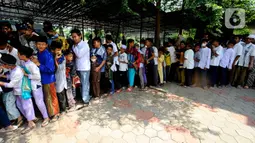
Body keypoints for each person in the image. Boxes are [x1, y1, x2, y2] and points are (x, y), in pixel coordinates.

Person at [0, 53, 36, 134]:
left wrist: (1, 83)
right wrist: (4, 76)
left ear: (8, 65)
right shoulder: (13, 69)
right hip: (18, 92)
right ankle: (30, 120)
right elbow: (10, 77)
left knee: (27, 107)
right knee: (21, 106)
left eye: (3, 64)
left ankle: (31, 123)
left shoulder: (17, 71)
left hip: (22, 92)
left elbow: (11, 84)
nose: (2, 66)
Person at [18, 46, 50, 127]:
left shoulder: (31, 65)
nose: (17, 54)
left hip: (36, 85)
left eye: (19, 53)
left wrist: (26, 75)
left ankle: (46, 118)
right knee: (35, 102)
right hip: (30, 85)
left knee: (39, 102)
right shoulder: (24, 62)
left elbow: (38, 77)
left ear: (23, 56)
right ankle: (34, 117)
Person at [33, 36, 60, 121]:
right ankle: (51, 113)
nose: (40, 46)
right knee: (47, 97)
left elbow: (51, 69)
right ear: (36, 44)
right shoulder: (39, 53)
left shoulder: (47, 55)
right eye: (39, 44)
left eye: (43, 44)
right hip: (43, 79)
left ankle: (56, 114)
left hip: (49, 80)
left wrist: (39, 65)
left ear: (46, 45)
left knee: (52, 97)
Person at [71, 29, 91, 107]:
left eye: (75, 36)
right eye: (73, 37)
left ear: (80, 36)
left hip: (84, 68)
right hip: (78, 67)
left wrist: (74, 47)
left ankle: (86, 100)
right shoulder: (75, 45)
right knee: (79, 84)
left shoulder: (85, 45)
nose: (74, 38)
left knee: (85, 84)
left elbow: (79, 55)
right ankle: (83, 97)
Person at [51, 41, 68, 114]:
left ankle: (63, 109)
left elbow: (60, 68)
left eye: (60, 50)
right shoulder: (51, 56)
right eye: (57, 50)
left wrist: (55, 60)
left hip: (60, 78)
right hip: (54, 78)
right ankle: (62, 108)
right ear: (52, 50)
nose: (59, 51)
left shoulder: (62, 58)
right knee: (58, 94)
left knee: (61, 94)